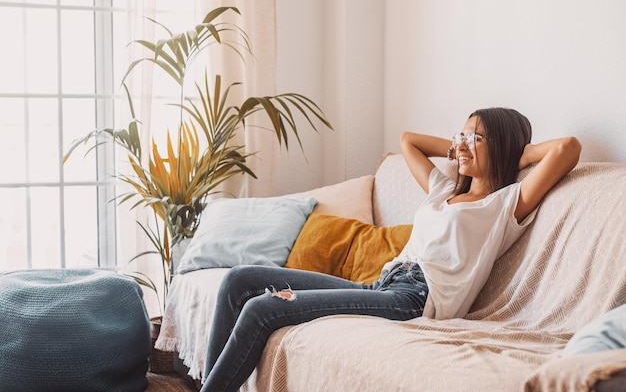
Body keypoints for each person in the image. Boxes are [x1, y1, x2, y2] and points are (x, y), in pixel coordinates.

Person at [199, 107, 582, 392]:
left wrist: (515, 153)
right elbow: (408, 140)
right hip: (384, 282)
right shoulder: (444, 190)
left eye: (475, 138)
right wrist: (464, 147)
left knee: (263, 308)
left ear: (502, 148)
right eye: (460, 135)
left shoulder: (504, 204)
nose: (461, 145)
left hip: (415, 298)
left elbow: (568, 147)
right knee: (239, 280)